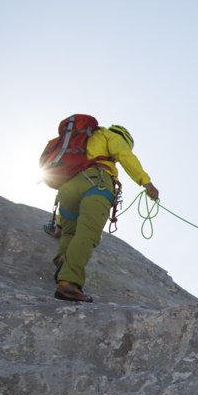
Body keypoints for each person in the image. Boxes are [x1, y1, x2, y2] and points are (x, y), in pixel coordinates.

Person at [53, 123, 159, 303]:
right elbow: (125, 156)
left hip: (68, 187)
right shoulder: (112, 136)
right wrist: (146, 182)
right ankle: (69, 282)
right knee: (87, 233)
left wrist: (60, 223)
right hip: (97, 183)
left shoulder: (86, 137)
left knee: (70, 231)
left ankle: (64, 257)